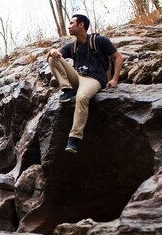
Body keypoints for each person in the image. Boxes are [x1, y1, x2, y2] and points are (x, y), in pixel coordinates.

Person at [47, 14, 123, 154]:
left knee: (81, 98)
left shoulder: (99, 40)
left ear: (81, 25)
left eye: (71, 23)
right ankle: (67, 90)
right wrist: (52, 51)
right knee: (52, 58)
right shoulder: (73, 46)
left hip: (94, 80)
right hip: (77, 78)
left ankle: (74, 138)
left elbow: (118, 57)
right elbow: (57, 53)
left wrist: (115, 79)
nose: (69, 26)